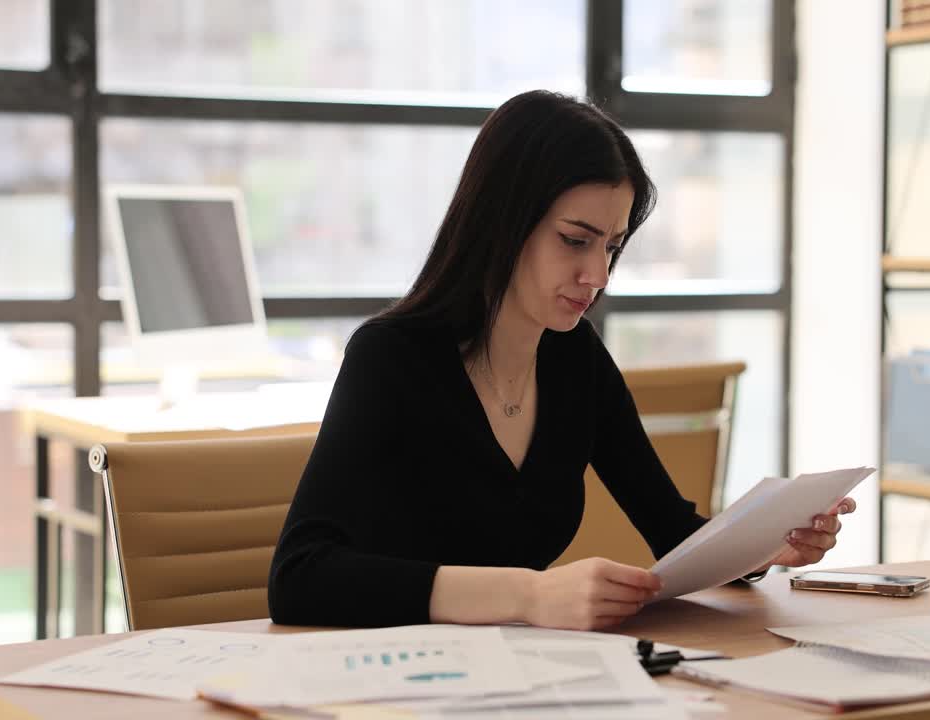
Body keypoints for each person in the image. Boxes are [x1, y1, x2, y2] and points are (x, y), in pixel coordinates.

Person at [268, 89, 856, 631]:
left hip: (526, 674)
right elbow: (300, 578)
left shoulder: (575, 360)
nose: (597, 275)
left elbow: (674, 533)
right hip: (393, 679)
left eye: (612, 246)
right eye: (575, 240)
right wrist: (529, 595)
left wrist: (764, 548)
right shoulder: (392, 358)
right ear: (503, 221)